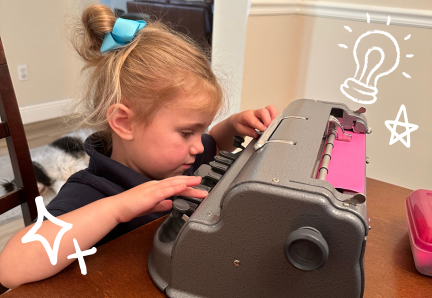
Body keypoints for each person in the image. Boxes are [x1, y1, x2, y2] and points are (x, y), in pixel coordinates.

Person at [0, 4, 278, 289]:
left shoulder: (179, 158)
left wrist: (232, 126)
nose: (198, 146)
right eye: (186, 132)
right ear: (124, 123)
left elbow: (212, 145)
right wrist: (117, 209)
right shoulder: (92, 190)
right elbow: (10, 267)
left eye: (202, 129)